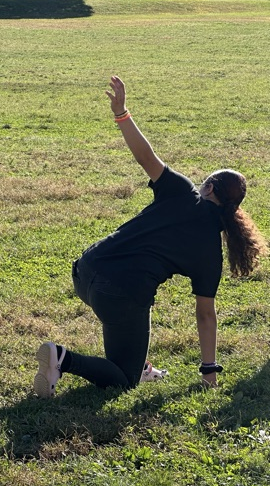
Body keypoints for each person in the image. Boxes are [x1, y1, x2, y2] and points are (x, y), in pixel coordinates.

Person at [34, 76, 266, 398]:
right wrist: (209, 371)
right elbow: (205, 315)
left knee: (133, 318)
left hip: (86, 268)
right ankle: (62, 358)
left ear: (209, 188)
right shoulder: (211, 252)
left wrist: (122, 113)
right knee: (124, 379)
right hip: (117, 295)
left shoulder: (183, 192)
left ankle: (138, 362)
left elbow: (146, 157)